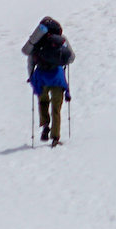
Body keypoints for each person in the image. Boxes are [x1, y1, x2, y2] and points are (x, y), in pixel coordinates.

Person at [22, 17, 73, 145]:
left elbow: (30, 60)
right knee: (56, 108)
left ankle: (45, 126)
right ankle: (55, 137)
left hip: (42, 77)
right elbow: (71, 57)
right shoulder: (62, 40)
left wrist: (31, 76)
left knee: (43, 102)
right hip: (57, 77)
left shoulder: (37, 40)